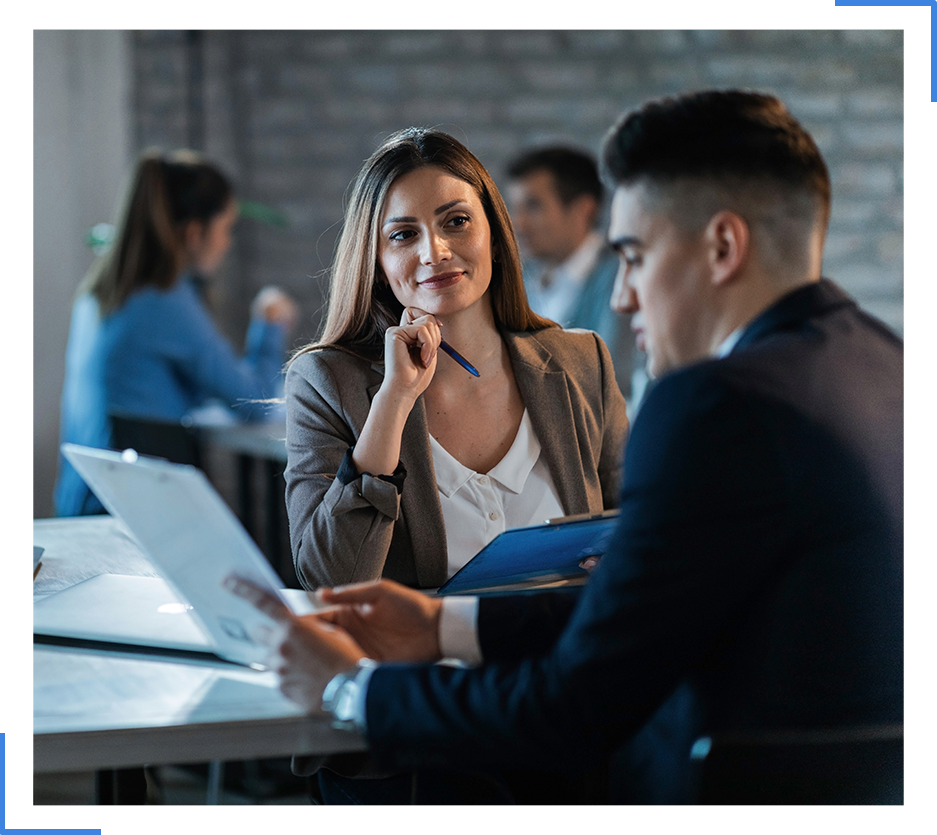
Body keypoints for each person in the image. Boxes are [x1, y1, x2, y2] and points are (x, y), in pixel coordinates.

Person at [227, 90, 904, 805]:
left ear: (722, 246)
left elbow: (576, 700)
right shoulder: (886, 364)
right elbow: (648, 602)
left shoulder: (711, 403)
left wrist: (347, 688)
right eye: (402, 234)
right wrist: (442, 623)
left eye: (634, 255)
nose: (620, 297)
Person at [284, 128, 629, 593]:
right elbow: (332, 581)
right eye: (404, 234)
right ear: (378, 261)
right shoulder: (326, 381)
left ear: (494, 232)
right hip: (427, 663)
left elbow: (636, 533)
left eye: (457, 221)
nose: (435, 252)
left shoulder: (581, 361)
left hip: (566, 657)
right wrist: (393, 401)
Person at [55, 150, 298, 517]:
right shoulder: (164, 301)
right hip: (131, 513)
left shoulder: (99, 293)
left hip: (82, 501)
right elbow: (252, 401)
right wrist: (269, 325)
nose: (227, 243)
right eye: (225, 229)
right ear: (194, 233)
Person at [506, 146, 635, 400]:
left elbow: (612, 380)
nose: (517, 223)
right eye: (514, 207)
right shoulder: (519, 281)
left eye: (533, 206)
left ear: (583, 210)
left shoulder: (622, 279)